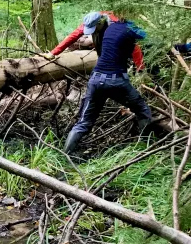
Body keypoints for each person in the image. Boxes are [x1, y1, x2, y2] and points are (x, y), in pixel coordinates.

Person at [61, 13, 152, 154]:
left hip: (96, 80)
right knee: (143, 111)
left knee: (83, 123)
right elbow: (151, 41)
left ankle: (64, 156)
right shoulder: (130, 27)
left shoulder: (108, 29)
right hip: (116, 81)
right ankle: (145, 150)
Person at [50, 11, 145, 71]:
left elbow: (134, 46)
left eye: (94, 29)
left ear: (100, 23)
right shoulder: (91, 21)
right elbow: (72, 36)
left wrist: (140, 68)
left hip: (135, 43)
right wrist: (53, 52)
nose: (91, 32)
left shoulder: (117, 25)